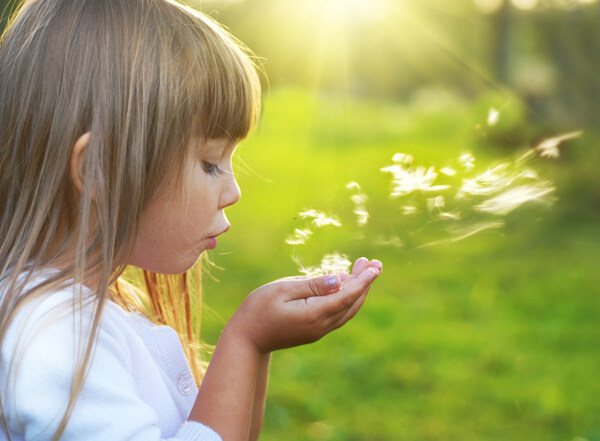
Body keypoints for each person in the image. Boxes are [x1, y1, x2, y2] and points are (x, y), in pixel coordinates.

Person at [0, 1, 382, 440]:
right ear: (100, 170)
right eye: (209, 163)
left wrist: (258, 349)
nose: (234, 192)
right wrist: (245, 340)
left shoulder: (84, 311)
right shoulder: (54, 337)